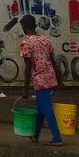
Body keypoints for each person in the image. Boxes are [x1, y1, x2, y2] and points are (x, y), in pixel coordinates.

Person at [20, 14, 64, 146]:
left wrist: (25, 88)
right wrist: (59, 80)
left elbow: (28, 67)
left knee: (47, 109)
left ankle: (57, 138)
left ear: (25, 27)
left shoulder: (26, 43)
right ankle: (35, 135)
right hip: (50, 75)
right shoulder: (45, 39)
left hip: (40, 79)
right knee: (40, 108)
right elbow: (53, 61)